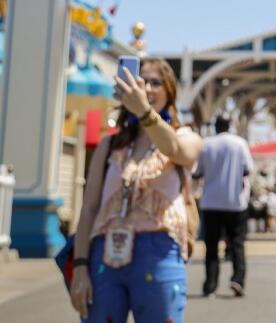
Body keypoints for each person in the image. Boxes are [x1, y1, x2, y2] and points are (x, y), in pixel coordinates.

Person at [68, 59, 203, 323]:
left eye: (155, 83)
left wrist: (143, 111)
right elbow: (89, 209)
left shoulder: (186, 136)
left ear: (170, 91)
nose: (147, 89)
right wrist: (80, 267)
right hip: (104, 252)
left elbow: (176, 150)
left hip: (159, 251)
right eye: (142, 81)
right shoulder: (110, 145)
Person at [197, 114, 254, 298]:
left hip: (210, 202)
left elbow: (197, 172)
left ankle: (210, 286)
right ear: (229, 125)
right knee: (237, 243)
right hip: (235, 202)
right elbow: (247, 169)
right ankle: (238, 279)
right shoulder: (239, 143)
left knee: (211, 246)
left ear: (215, 125)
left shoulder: (206, 144)